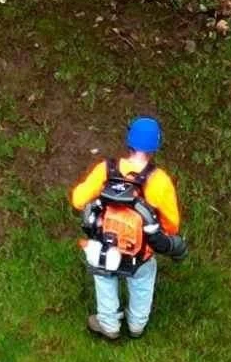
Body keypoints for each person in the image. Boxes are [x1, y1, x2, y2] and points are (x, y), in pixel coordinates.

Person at [70, 116, 184, 341]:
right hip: (141, 252)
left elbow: (78, 200)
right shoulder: (159, 180)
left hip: (107, 247)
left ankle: (109, 324)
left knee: (104, 278)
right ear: (155, 146)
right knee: (142, 281)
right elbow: (172, 225)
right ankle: (136, 325)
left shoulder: (106, 169)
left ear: (129, 141)